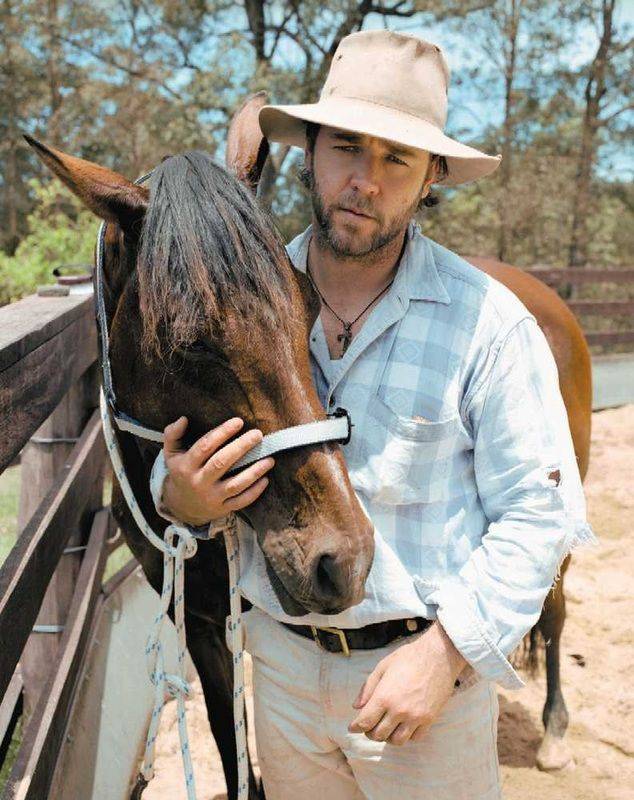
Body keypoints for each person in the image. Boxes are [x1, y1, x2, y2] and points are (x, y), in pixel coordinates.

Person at [149, 30, 595, 800]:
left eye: (398, 159)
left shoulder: (488, 324)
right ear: (310, 151)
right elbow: (181, 447)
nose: (365, 180)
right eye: (347, 147)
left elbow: (542, 511)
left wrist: (446, 656)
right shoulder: (237, 300)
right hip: (282, 674)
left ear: (431, 178)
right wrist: (179, 495)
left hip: (425, 689)